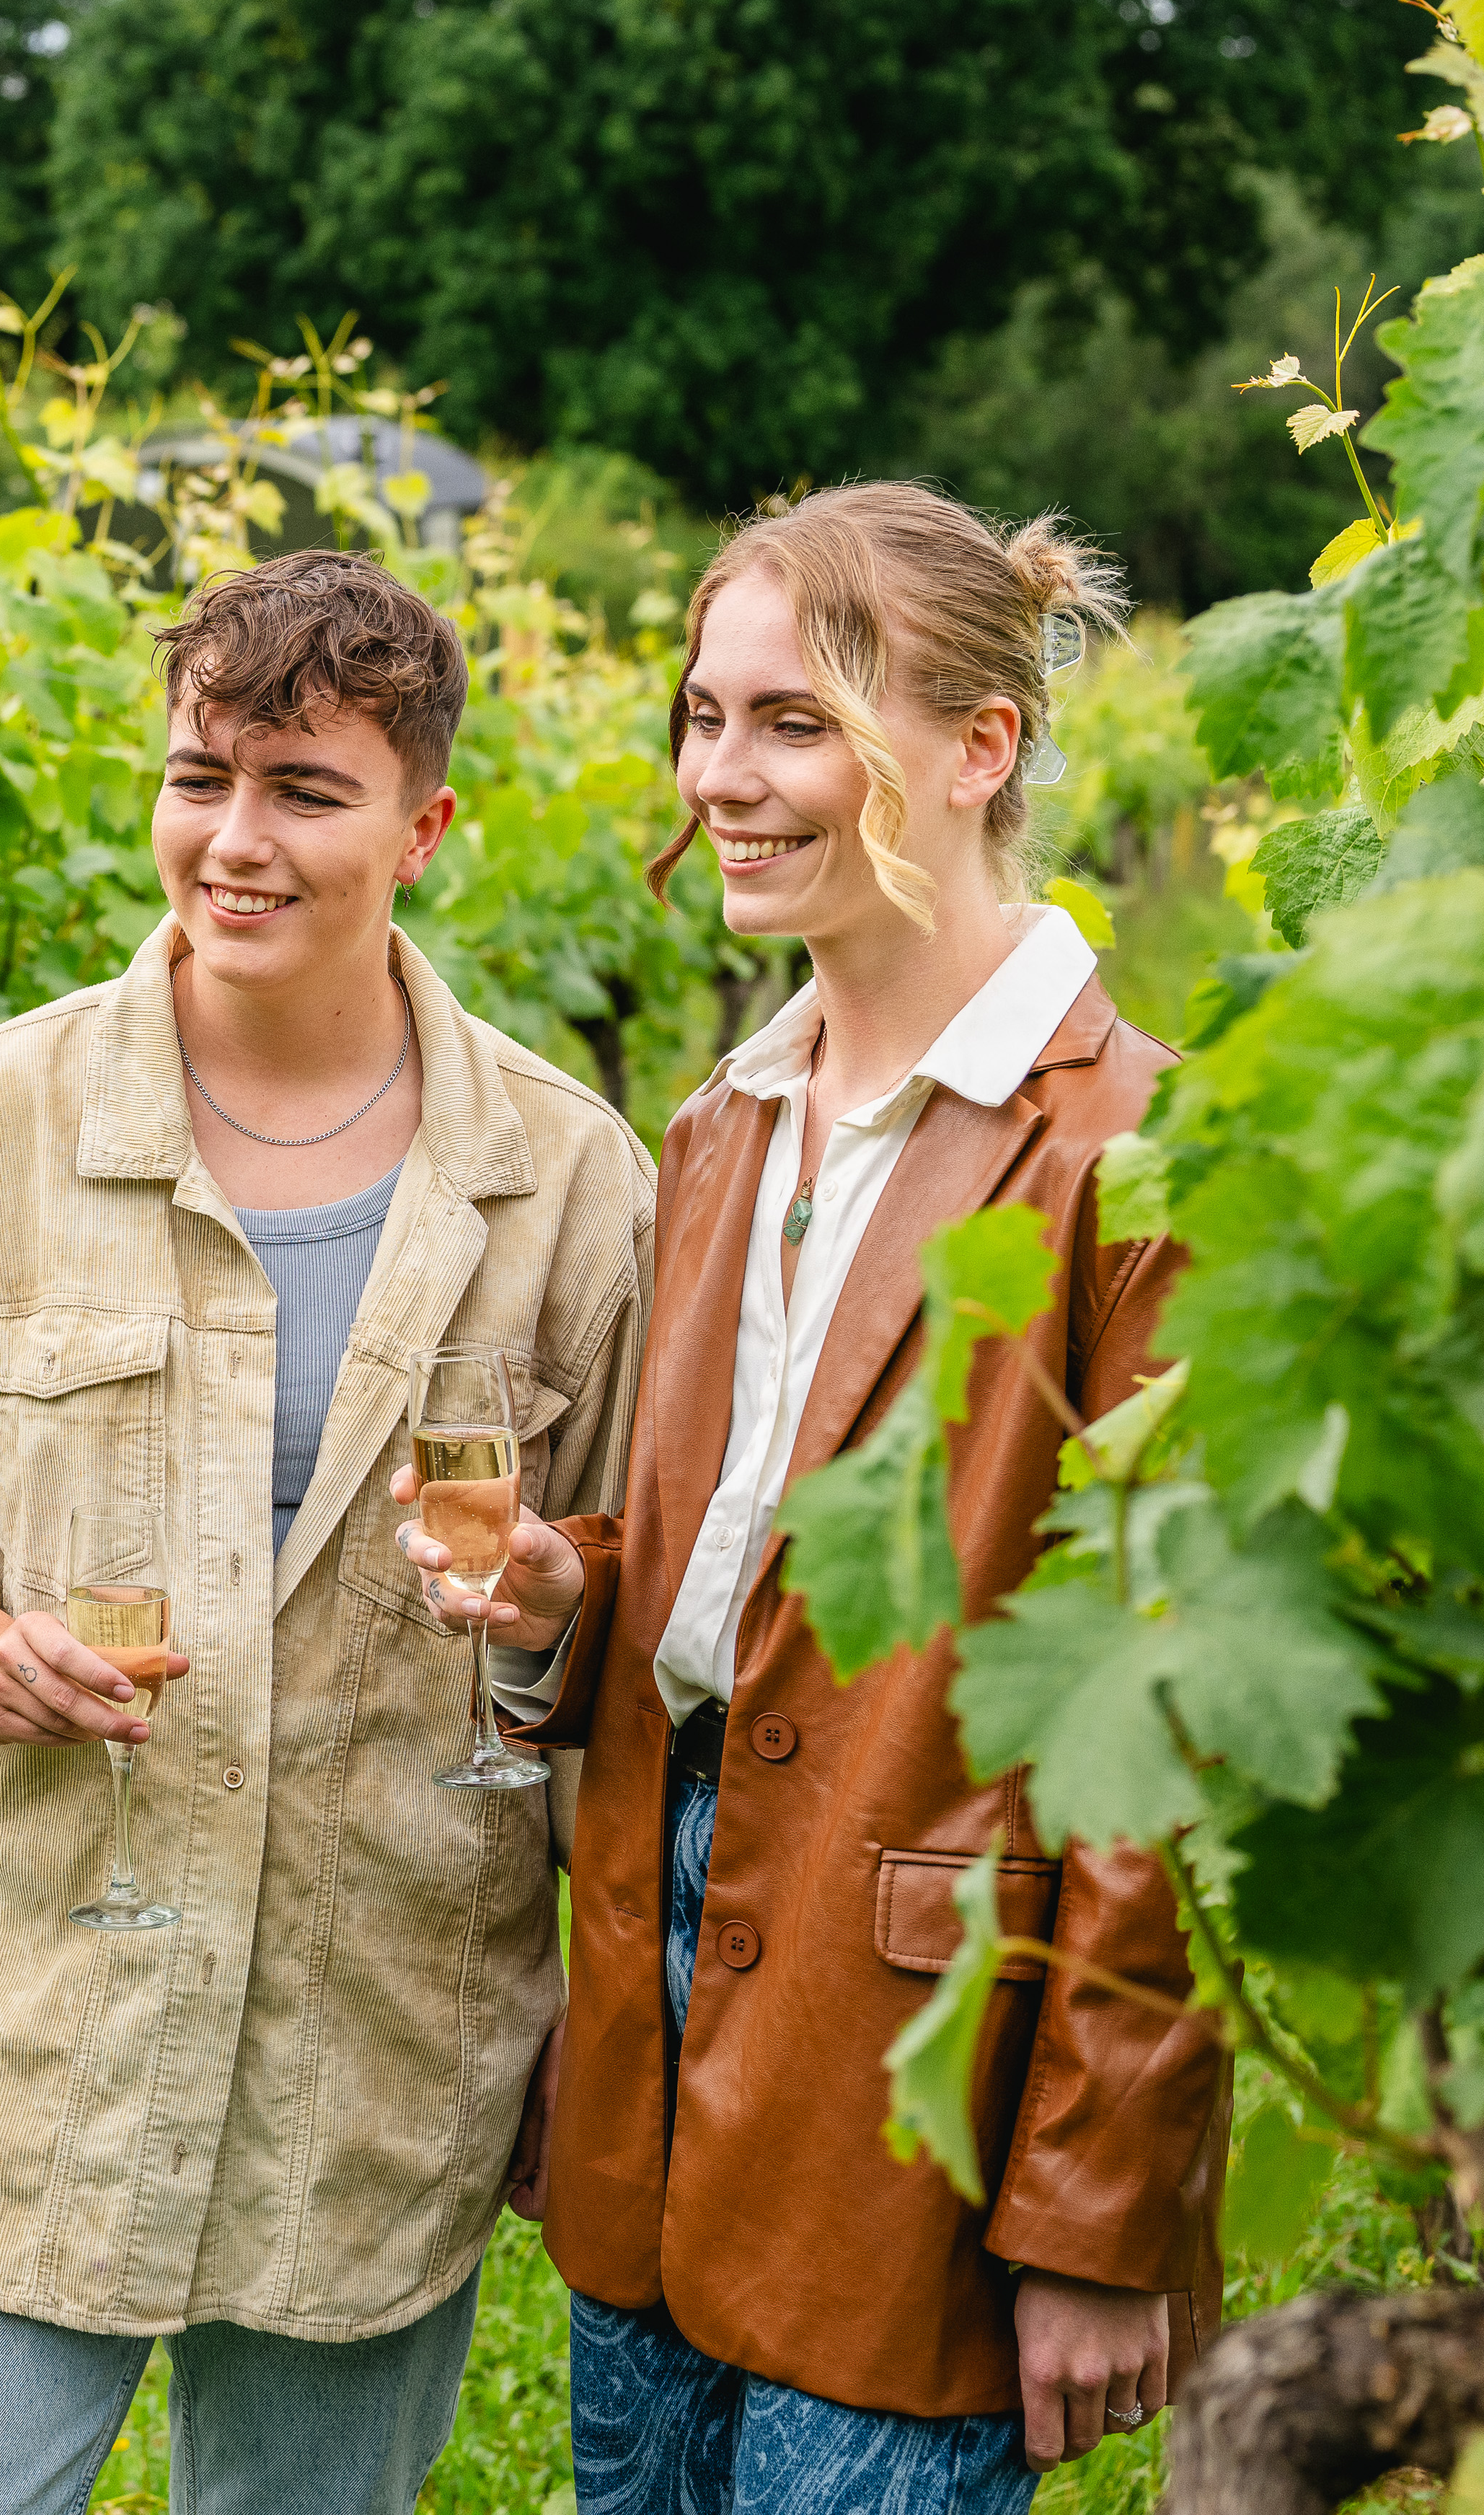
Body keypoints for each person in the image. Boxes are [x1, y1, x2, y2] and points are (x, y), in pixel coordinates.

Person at [0, 549, 655, 2515]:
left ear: (425, 825)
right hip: (17, 2041)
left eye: (303, 790)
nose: (231, 839)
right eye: (195, 775)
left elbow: (641, 1624)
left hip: (379, 2044)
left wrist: (564, 1619)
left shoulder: (573, 1187)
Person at [435, 483, 1222, 2514]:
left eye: (793, 721)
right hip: (660, 1976)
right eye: (703, 718)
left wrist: (1090, 2199)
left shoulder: (1128, 1156)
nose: (719, 776)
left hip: (927, 2059)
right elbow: (728, 1578)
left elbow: (1167, 1716)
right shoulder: (716, 1124)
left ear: (980, 746)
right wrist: (566, 1590)